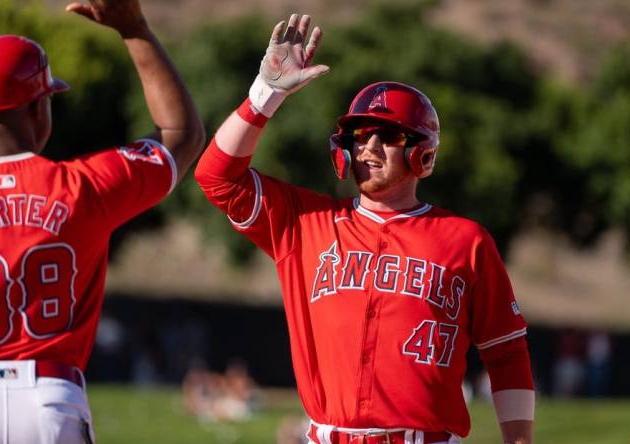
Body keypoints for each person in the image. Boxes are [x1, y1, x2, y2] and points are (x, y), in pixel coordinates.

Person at [195, 13, 535, 444]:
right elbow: (216, 177)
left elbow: (506, 351)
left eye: (388, 135)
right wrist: (264, 96)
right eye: (358, 133)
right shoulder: (305, 223)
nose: (368, 146)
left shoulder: (465, 240)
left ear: (422, 155)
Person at [0, 0, 204, 442]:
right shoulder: (83, 186)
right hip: (51, 397)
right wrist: (134, 28)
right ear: (38, 109)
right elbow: (182, 133)